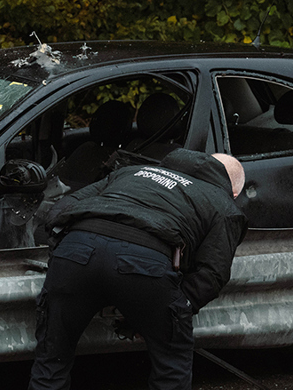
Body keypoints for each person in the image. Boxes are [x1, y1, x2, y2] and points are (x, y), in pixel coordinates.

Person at [28, 148, 248, 390]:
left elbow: (62, 208)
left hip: (75, 252)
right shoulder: (224, 205)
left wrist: (62, 254)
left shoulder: (130, 172)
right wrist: (174, 309)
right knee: (171, 366)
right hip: (146, 264)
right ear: (234, 192)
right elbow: (212, 273)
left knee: (51, 361)